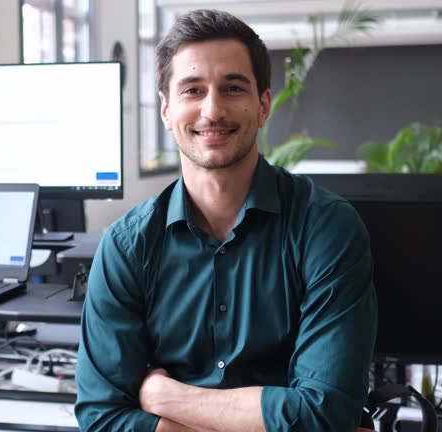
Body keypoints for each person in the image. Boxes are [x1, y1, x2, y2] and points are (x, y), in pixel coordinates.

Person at [76, 9, 377, 432]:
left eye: (232, 88)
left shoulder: (326, 228)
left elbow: (324, 415)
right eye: (193, 90)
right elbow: (101, 416)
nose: (212, 110)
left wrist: (168, 397)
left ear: (263, 105)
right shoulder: (128, 246)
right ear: (166, 109)